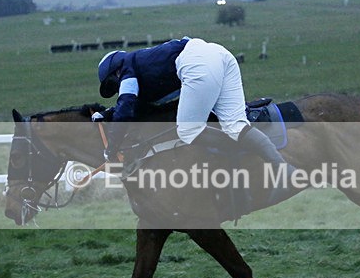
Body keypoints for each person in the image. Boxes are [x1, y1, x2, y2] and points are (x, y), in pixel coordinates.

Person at [96, 36, 298, 204]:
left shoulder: (127, 70)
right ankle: (284, 170)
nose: (116, 89)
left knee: (188, 130)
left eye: (113, 85)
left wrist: (111, 147)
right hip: (218, 54)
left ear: (115, 72)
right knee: (236, 126)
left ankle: (236, 152)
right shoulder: (141, 64)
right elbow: (134, 106)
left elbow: (126, 108)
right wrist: (108, 113)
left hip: (196, 62)